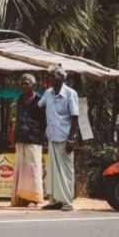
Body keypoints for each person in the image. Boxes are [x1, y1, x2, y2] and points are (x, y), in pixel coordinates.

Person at [38, 65, 80, 211]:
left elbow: (75, 117)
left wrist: (72, 139)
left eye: (55, 75)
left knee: (66, 170)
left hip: (65, 136)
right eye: (50, 75)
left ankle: (67, 202)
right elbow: (39, 105)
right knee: (53, 170)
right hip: (52, 136)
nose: (52, 77)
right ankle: (54, 201)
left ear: (63, 78)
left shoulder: (70, 93)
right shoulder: (48, 93)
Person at [11, 73, 46, 207]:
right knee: (21, 169)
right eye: (22, 83)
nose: (23, 86)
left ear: (33, 85)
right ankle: (21, 198)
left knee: (33, 169)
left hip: (34, 138)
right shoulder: (19, 100)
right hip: (21, 137)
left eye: (26, 83)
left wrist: (40, 136)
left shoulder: (40, 100)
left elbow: (44, 122)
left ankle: (34, 198)